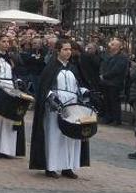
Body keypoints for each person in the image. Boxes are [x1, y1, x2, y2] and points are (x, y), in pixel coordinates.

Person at [29, 39, 91, 179]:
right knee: (54, 135)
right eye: (65, 49)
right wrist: (52, 98)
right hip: (55, 108)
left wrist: (84, 92)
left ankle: (67, 166)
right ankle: (51, 166)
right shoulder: (50, 68)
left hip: (72, 106)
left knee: (70, 136)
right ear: (58, 51)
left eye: (69, 49)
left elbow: (77, 86)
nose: (68, 52)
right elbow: (44, 88)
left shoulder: (73, 68)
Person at [99, 39, 129, 126]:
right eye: (111, 44)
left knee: (114, 101)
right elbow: (103, 66)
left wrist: (104, 76)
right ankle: (108, 117)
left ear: (118, 47)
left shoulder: (122, 57)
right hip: (106, 82)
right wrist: (102, 74)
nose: (110, 46)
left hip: (115, 83)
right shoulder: (108, 55)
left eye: (112, 44)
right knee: (107, 101)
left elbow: (116, 70)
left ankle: (116, 119)